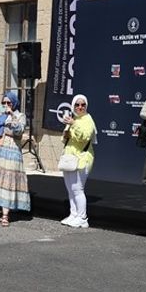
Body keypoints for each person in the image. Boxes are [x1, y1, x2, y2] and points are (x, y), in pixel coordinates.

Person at [0, 92, 30, 226]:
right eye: (3, 103)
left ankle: (5, 215)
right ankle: (2, 211)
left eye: (9, 103)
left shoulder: (20, 115)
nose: (6, 105)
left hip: (11, 151)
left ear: (14, 103)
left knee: (7, 181)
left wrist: (12, 115)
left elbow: (19, 130)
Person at [60, 94, 95, 228]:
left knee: (78, 189)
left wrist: (73, 124)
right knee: (70, 189)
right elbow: (65, 139)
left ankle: (82, 217)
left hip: (83, 158)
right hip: (70, 158)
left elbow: (84, 137)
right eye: (77, 105)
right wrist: (66, 132)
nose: (80, 107)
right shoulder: (73, 118)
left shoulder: (88, 119)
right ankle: (73, 214)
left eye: (83, 105)